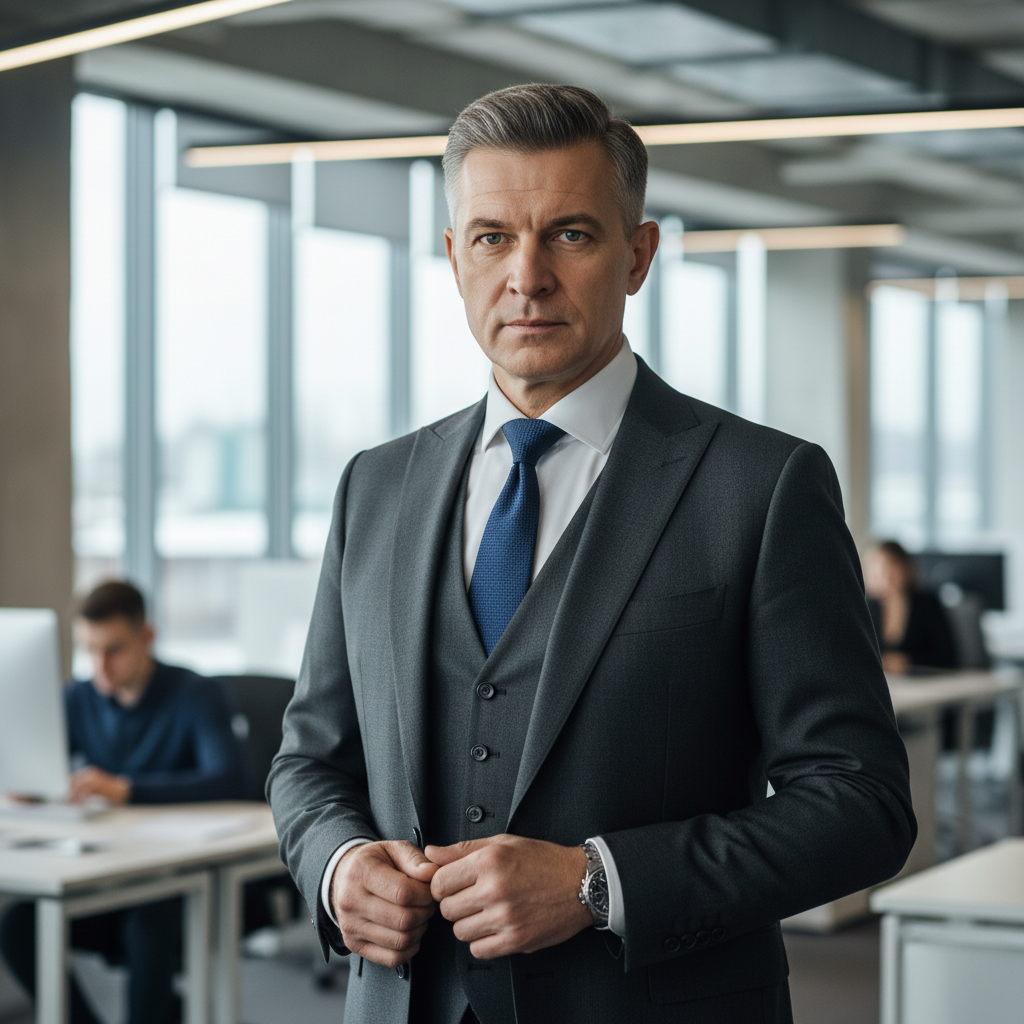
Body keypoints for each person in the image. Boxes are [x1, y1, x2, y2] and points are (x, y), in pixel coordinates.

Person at [268, 84, 916, 1024]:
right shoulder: (376, 487)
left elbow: (861, 803)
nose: (525, 277)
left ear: (638, 255)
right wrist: (338, 867)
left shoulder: (762, 486)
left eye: (569, 234)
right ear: (454, 259)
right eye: (492, 237)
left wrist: (595, 884)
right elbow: (308, 762)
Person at [0, 580, 245, 1024]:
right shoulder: (79, 697)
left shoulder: (196, 694)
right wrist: (31, 780)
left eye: (113, 650)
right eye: (89, 651)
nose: (100, 668)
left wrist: (127, 789)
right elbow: (47, 762)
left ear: (146, 637)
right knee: (18, 925)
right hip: (107, 870)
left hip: (180, 880)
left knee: (148, 927)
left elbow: (229, 779)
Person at [865, 540, 957, 675]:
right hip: (884, 685)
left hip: (923, 684)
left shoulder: (927, 604)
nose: (886, 573)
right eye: (878, 567)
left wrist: (908, 661)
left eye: (892, 565)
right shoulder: (867, 608)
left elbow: (947, 656)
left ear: (905, 567)